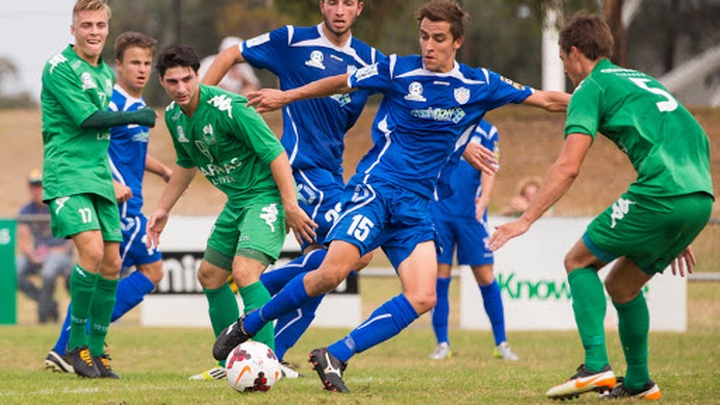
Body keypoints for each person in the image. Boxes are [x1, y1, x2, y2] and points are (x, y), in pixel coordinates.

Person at [212, 0, 569, 393]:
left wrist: (597, 103)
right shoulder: (398, 69)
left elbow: (548, 100)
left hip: (416, 207)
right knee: (331, 273)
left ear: (457, 42)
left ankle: (336, 354)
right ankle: (247, 324)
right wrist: (287, 96)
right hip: (376, 192)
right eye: (424, 37)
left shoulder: (480, 83)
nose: (428, 46)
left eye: (438, 39)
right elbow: (342, 81)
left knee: (423, 296)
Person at [488, 11, 714, 401]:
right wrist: (681, 220)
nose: (567, 72)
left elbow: (568, 166)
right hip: (698, 196)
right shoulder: (639, 80)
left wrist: (524, 220)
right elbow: (690, 134)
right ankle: (640, 382)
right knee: (622, 286)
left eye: (564, 63)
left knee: (578, 261)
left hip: (663, 193)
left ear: (574, 53)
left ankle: (596, 366)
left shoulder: (593, 86)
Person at [196, 0, 382, 380]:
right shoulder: (292, 41)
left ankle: (260, 353)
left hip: (333, 173)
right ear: (322, 5)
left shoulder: (371, 59)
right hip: (301, 169)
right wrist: (200, 105)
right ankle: (258, 302)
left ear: (361, 7)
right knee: (356, 257)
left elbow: (409, 100)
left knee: (324, 276)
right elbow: (231, 53)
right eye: (333, 1)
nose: (340, 9)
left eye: (349, 2)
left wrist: (461, 145)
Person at [148, 42, 316, 381]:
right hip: (236, 202)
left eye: (186, 79)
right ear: (162, 82)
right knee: (209, 276)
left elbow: (275, 154)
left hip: (265, 197)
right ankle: (232, 363)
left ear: (198, 76)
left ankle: (270, 363)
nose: (180, 88)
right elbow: (185, 163)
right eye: (172, 82)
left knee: (245, 272)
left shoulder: (230, 107)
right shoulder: (175, 117)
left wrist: (290, 205)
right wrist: (163, 208)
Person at [44, 32, 172, 376]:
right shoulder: (111, 102)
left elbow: (133, 150)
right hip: (116, 200)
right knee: (119, 269)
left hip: (132, 200)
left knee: (120, 270)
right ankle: (71, 345)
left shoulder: (135, 106)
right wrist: (111, 182)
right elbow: (97, 145)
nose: (142, 69)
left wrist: (162, 170)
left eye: (147, 63)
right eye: (134, 62)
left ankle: (76, 346)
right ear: (118, 66)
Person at [428, 119, 518, 362]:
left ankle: (501, 343)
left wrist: (485, 198)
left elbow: (490, 164)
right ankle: (442, 344)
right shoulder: (441, 120)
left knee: (486, 277)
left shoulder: (488, 130)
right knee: (440, 277)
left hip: (472, 214)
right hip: (439, 211)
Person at [16, 169, 74, 324]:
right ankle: (49, 305)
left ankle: (43, 315)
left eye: (41, 185)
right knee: (12, 270)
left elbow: (72, 239)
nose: (37, 190)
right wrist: (31, 254)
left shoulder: (60, 207)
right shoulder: (26, 210)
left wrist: (59, 250)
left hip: (60, 254)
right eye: (34, 186)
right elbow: (23, 239)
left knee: (49, 270)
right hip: (38, 254)